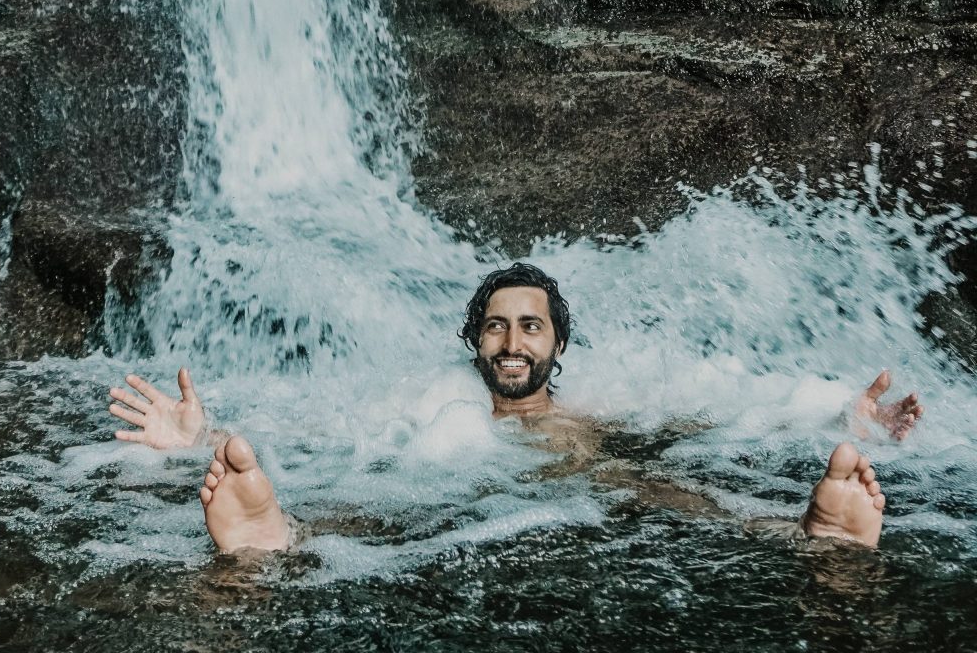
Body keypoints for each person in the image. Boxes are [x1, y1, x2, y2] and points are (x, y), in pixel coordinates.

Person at [108, 263, 924, 553]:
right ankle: (275, 535)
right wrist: (202, 437)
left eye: (529, 326)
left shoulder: (604, 398)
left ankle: (805, 534)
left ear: (556, 345)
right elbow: (326, 431)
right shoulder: (432, 405)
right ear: (474, 342)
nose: (511, 342)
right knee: (387, 513)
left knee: (663, 495)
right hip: (458, 484)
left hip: (587, 484)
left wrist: (832, 418)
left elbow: (724, 409)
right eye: (495, 326)